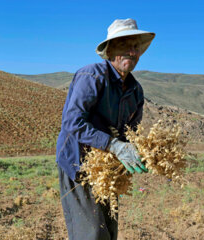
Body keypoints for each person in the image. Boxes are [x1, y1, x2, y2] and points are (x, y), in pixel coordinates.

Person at [56, 18, 155, 240]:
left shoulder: (135, 91)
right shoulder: (91, 76)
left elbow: (131, 133)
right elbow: (72, 123)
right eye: (124, 45)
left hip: (106, 170)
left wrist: (143, 153)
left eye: (135, 47)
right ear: (110, 50)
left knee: (108, 233)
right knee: (90, 234)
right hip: (79, 166)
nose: (131, 51)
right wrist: (114, 145)